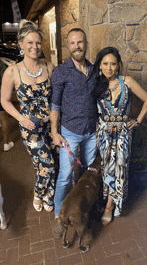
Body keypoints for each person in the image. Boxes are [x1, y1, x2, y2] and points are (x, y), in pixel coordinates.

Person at [1, 19, 58, 212]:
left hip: (51, 125)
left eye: (38, 43)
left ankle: (46, 193)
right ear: (21, 45)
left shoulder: (49, 67)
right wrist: (21, 118)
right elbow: (5, 101)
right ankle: (41, 194)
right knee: (46, 164)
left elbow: (58, 96)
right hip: (30, 128)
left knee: (51, 162)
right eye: (30, 43)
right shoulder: (12, 71)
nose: (35, 47)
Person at [94, 47, 147, 225]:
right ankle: (106, 198)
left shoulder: (127, 81)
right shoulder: (97, 83)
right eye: (105, 63)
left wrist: (138, 120)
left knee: (119, 168)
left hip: (122, 135)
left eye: (113, 63)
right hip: (104, 134)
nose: (109, 67)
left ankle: (110, 206)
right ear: (100, 65)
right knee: (106, 167)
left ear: (119, 65)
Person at [50, 28, 98, 237]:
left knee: (90, 173)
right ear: (67, 46)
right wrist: (54, 131)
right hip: (70, 132)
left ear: (86, 44)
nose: (77, 46)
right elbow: (54, 104)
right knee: (66, 175)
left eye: (80, 42)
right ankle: (59, 216)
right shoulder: (61, 71)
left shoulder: (96, 70)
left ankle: (85, 207)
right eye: (72, 43)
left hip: (92, 131)